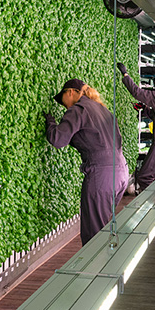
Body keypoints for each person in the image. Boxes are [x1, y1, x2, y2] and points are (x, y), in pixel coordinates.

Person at [45, 79, 128, 245]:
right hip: (121, 172)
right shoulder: (104, 110)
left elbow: (58, 139)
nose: (65, 108)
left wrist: (51, 122)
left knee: (94, 236)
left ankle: (96, 271)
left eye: (64, 103)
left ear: (70, 92)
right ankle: (105, 268)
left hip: (102, 176)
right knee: (104, 229)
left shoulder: (78, 110)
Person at [116, 63, 155, 191]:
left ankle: (152, 208)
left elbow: (136, 92)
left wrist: (125, 74)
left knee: (144, 177)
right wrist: (145, 109)